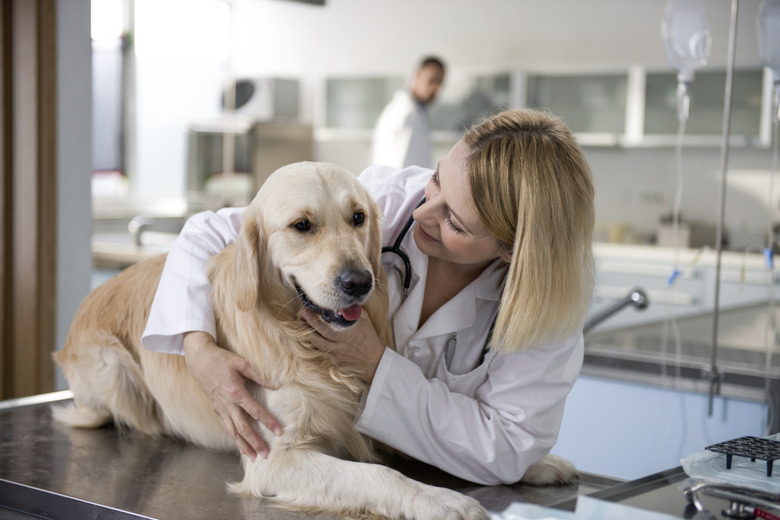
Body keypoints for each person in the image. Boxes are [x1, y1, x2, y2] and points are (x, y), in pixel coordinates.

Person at [142, 108, 595, 486]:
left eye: (454, 222)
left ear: (513, 248)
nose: (422, 213)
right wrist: (197, 348)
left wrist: (375, 363)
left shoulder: (548, 310)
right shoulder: (382, 201)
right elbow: (210, 232)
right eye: (436, 181)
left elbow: (507, 446)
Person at [370, 56, 446, 169]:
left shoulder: (415, 112)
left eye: (440, 83)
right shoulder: (407, 114)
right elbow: (399, 167)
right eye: (432, 80)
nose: (436, 88)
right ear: (417, 76)